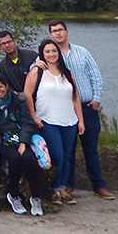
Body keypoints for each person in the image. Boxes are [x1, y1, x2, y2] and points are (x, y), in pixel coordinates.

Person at [40, 20, 114, 200]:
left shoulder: (82, 53)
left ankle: (98, 185)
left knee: (91, 149)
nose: (58, 34)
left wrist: (96, 99)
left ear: (67, 31)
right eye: (54, 31)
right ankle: (67, 185)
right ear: (50, 34)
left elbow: (95, 76)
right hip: (64, 109)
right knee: (67, 150)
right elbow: (35, 79)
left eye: (60, 30)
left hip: (87, 107)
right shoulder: (46, 56)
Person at [24, 39, 84, 205]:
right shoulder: (37, 72)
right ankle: (53, 188)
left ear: (58, 53)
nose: (51, 54)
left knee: (67, 156)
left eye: (54, 51)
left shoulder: (67, 72)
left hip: (69, 120)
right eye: (47, 51)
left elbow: (75, 97)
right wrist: (34, 116)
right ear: (42, 54)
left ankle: (62, 189)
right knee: (56, 155)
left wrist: (81, 120)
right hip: (48, 120)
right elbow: (27, 95)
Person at [0, 75, 44, 216]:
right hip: (2, 141)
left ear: (6, 86)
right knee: (15, 158)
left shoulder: (19, 100)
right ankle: (14, 195)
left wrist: (23, 142)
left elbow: (27, 123)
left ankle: (36, 197)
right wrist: (14, 126)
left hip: (21, 139)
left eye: (0, 86)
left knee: (28, 158)